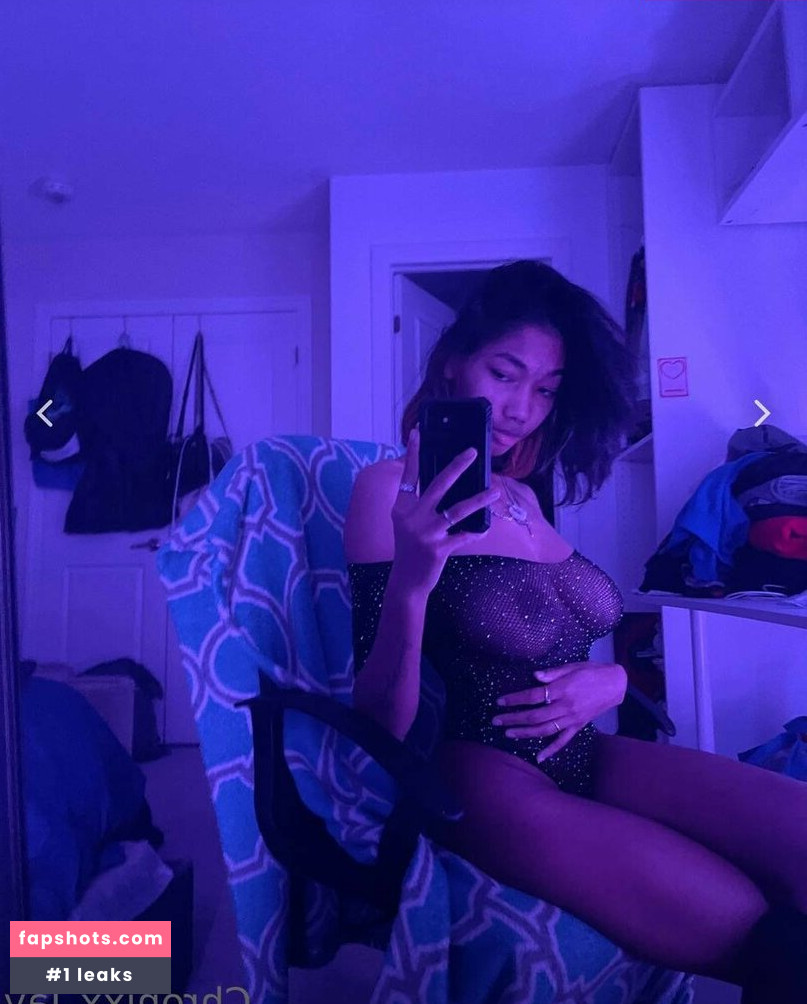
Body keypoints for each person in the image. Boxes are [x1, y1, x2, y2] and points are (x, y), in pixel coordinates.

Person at [343, 260, 807, 1002]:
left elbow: (565, 636)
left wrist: (614, 679)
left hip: (588, 750)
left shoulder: (525, 497)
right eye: (504, 374)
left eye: (546, 390)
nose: (521, 408)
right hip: (484, 770)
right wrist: (411, 580)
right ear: (454, 362)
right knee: (765, 935)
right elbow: (379, 723)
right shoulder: (386, 491)